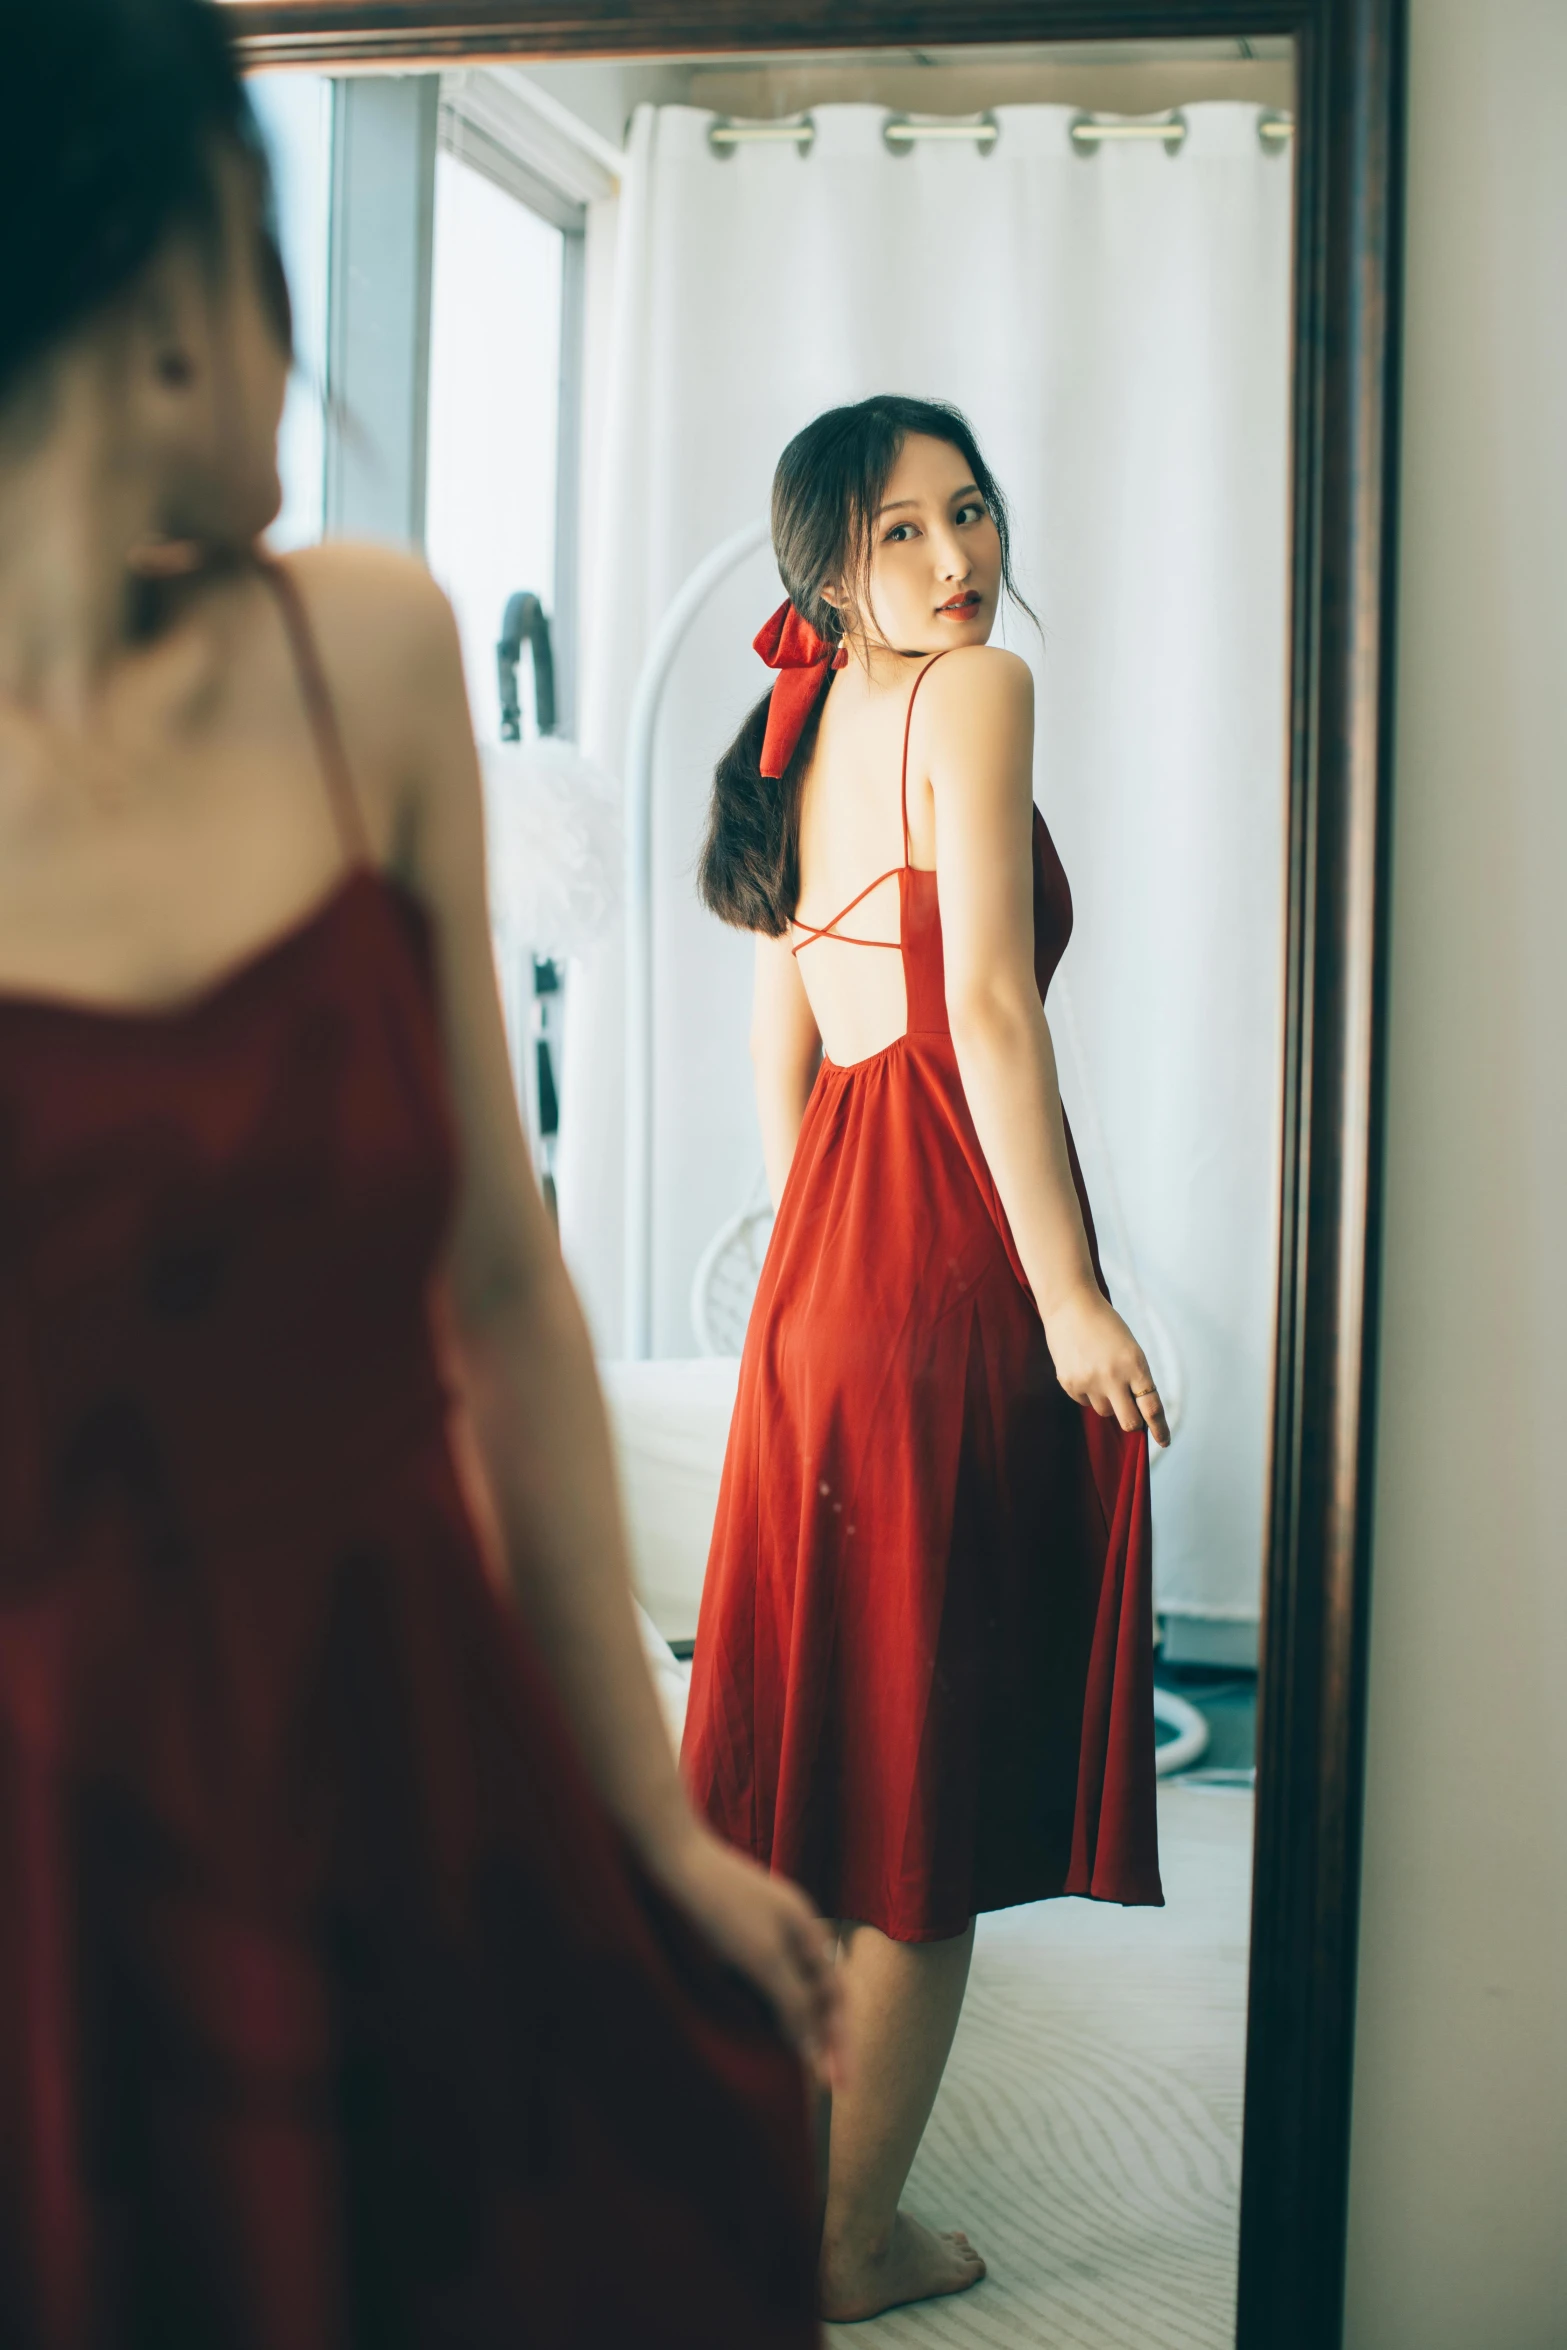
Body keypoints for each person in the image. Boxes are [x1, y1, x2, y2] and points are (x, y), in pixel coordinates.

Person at [0, 3, 838, 2342]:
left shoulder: (363, 655)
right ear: (175, 274)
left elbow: (500, 1284)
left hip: (405, 1741)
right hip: (60, 1838)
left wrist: (651, 1817)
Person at [684, 394, 1170, 2323]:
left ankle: (766, 2203)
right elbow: (982, 998)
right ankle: (841, 2246)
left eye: (966, 513)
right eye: (901, 532)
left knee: (811, 1768)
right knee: (916, 1790)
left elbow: (778, 1052)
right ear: (826, 568)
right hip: (943, 1249)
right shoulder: (977, 698)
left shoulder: (790, 733)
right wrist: (1059, 1293)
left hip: (822, 1268)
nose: (956, 558)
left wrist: (831, 1253)